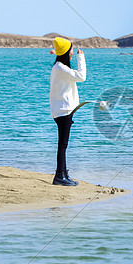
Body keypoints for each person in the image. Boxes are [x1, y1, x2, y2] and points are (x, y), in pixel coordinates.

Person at [49, 37, 86, 186]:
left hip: (62, 111)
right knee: (62, 145)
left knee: (63, 145)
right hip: (63, 111)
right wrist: (81, 57)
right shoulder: (60, 68)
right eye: (71, 49)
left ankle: (63, 174)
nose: (72, 52)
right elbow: (81, 77)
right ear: (65, 52)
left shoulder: (59, 67)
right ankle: (59, 176)